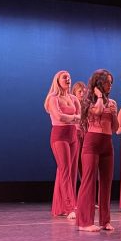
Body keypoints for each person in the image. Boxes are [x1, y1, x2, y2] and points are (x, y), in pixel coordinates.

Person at [76, 70, 118, 232]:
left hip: (107, 144)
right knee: (88, 181)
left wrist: (114, 114)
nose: (110, 85)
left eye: (111, 82)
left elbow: (115, 128)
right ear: (99, 84)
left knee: (106, 183)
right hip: (91, 143)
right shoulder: (88, 102)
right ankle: (85, 222)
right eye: (107, 82)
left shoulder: (112, 102)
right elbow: (98, 111)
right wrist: (99, 97)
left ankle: (105, 221)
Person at [45, 71, 81, 219]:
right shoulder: (52, 99)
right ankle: (69, 206)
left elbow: (81, 118)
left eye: (69, 77)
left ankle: (64, 206)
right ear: (57, 80)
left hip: (73, 135)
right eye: (64, 77)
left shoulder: (73, 98)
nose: (68, 79)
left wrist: (71, 119)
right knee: (65, 170)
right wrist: (73, 118)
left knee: (70, 171)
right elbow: (59, 116)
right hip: (59, 136)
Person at [72, 81, 87, 180]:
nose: (82, 94)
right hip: (76, 135)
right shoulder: (72, 105)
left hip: (86, 136)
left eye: (84, 92)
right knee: (76, 162)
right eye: (80, 92)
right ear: (74, 93)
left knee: (85, 164)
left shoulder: (87, 105)